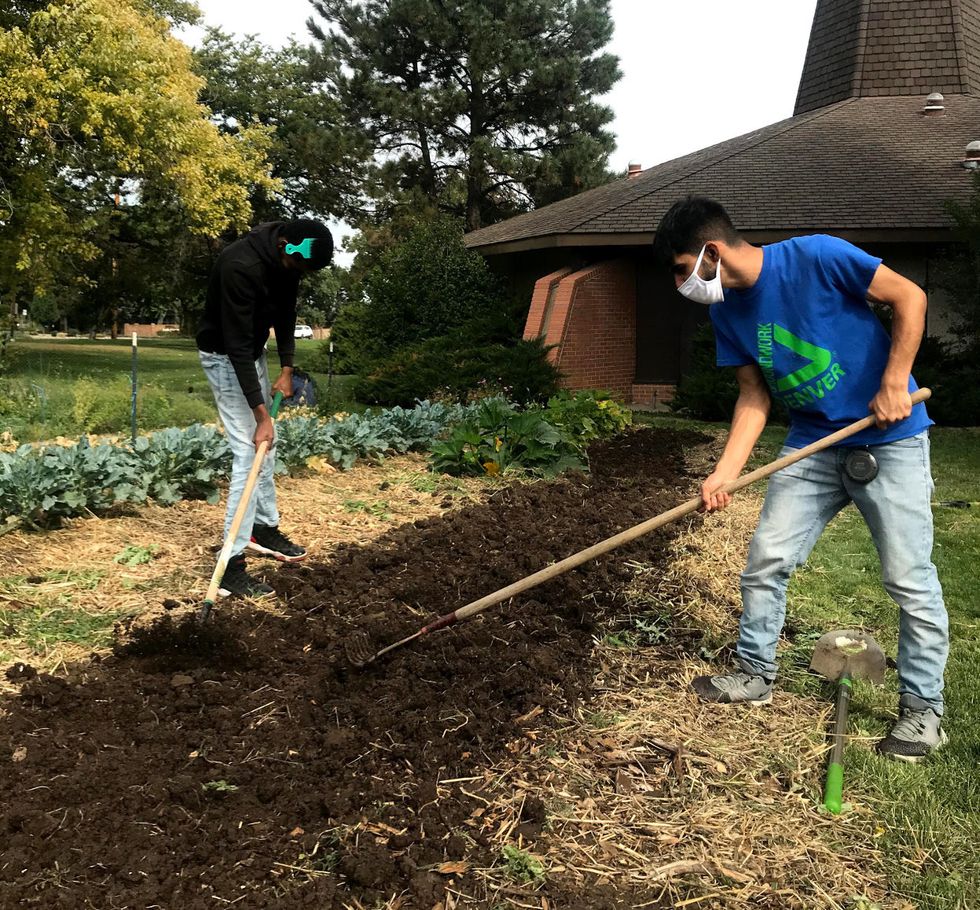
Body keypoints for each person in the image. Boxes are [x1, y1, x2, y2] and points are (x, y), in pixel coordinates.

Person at [653, 196, 948, 762]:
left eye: (680, 267)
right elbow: (753, 396)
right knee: (766, 559)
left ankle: (923, 711)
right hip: (811, 444)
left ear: (711, 252)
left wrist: (894, 382)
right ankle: (756, 672)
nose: (680, 283)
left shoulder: (817, 256)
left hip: (892, 438)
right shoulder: (726, 311)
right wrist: (724, 473)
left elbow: (910, 296)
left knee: (910, 578)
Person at [196, 218, 333, 597]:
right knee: (249, 449)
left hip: (252, 353)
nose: (298, 274)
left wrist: (286, 369)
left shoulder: (290, 259)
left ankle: (263, 528)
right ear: (285, 244)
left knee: (267, 444)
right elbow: (236, 346)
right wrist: (260, 415)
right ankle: (231, 566)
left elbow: (285, 315)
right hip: (224, 357)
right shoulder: (239, 266)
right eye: (298, 266)